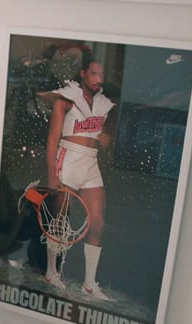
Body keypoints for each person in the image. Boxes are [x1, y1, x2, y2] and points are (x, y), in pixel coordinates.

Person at [40, 53, 115, 301]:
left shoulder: (103, 103)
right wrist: (52, 175)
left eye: (101, 74)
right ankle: (51, 272)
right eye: (94, 73)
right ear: (82, 73)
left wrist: (105, 140)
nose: (98, 79)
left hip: (91, 162)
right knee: (60, 219)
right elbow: (52, 140)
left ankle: (89, 284)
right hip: (68, 158)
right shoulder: (65, 99)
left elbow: (101, 137)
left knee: (98, 222)